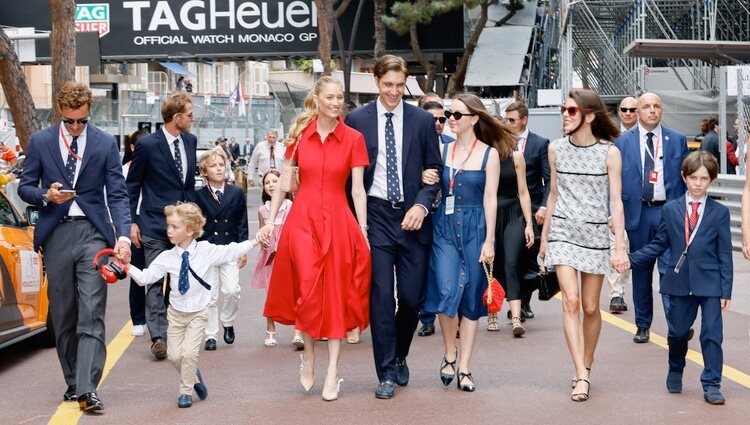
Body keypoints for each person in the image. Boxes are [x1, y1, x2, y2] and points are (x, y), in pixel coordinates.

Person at [18, 81, 132, 412]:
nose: (76, 127)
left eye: (82, 121)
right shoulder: (41, 142)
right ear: (60, 114)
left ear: (88, 115)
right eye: (70, 121)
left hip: (94, 235)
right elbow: (25, 187)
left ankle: (87, 388)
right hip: (56, 233)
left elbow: (118, 193)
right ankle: (72, 381)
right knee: (64, 312)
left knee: (93, 311)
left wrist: (122, 237)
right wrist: (45, 195)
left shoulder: (104, 143)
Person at [259, 76, 371, 402]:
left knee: (334, 294)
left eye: (340, 98)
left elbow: (358, 190)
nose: (336, 103)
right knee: (308, 290)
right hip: (303, 221)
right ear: (318, 99)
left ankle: (333, 370)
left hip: (338, 221)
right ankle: (309, 354)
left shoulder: (354, 139)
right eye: (330, 97)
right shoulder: (299, 138)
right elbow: (283, 183)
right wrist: (271, 221)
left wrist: (362, 231)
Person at [345, 54, 442, 399]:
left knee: (413, 299)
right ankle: (385, 372)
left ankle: (400, 353)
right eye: (388, 85)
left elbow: (435, 172)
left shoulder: (420, 121)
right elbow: (348, 176)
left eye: (400, 85)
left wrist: (421, 203)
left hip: (413, 218)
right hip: (376, 218)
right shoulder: (356, 119)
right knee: (382, 298)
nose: (394, 92)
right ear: (376, 82)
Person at [539, 88, 627, 402]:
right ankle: (580, 373)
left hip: (595, 236)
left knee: (591, 308)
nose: (565, 114)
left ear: (589, 115)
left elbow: (615, 202)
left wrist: (619, 246)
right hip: (562, 231)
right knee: (571, 302)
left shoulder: (609, 152)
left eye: (572, 110)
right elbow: (553, 195)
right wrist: (545, 238)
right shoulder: (555, 149)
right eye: (564, 109)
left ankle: (587, 361)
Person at [625, 151, 732, 405]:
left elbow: (725, 253)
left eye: (704, 179)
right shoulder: (671, 210)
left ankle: (712, 383)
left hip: (710, 282)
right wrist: (630, 259)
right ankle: (676, 366)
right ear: (684, 177)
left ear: (712, 181)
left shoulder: (720, 212)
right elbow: (659, 244)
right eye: (693, 177)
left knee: (712, 334)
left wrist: (726, 290)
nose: (698, 183)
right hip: (678, 281)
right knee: (678, 332)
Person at [128, 202, 258, 408]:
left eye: (174, 227)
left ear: (189, 231)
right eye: (168, 225)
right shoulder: (167, 256)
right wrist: (127, 266)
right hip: (176, 314)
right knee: (174, 355)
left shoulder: (206, 251)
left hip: (199, 312)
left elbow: (230, 251)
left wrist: (255, 241)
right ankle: (193, 377)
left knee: (189, 353)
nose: (168, 230)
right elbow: (146, 278)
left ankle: (185, 392)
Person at [421, 92, 500, 391]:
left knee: (470, 298)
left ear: (474, 119)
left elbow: (490, 199)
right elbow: (431, 184)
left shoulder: (489, 154)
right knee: (445, 290)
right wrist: (425, 176)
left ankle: (464, 366)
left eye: (456, 115)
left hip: (475, 227)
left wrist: (489, 240)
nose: (450, 120)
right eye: (448, 115)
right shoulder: (442, 151)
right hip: (443, 226)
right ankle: (449, 351)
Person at [127, 91, 198, 359]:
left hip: (184, 227)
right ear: (176, 117)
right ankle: (158, 336)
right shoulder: (147, 145)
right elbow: (131, 186)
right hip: (155, 223)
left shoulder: (190, 141)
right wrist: (132, 222)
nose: (193, 119)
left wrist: (194, 221)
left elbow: (188, 185)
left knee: (181, 279)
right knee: (155, 280)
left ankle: (173, 329)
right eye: (190, 115)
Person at [615, 92, 688, 344]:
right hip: (638, 213)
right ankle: (642, 325)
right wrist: (614, 216)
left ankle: (675, 325)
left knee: (670, 270)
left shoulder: (677, 140)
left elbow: (686, 179)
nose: (652, 111)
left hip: (669, 213)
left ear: (662, 110)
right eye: (646, 106)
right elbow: (612, 184)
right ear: (637, 111)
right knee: (642, 271)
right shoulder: (622, 143)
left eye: (656, 106)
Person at [195, 148, 248, 351]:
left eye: (221, 165)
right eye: (214, 166)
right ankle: (211, 335)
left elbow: (242, 222)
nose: (219, 168)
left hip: (230, 248)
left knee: (232, 290)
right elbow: (195, 223)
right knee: (210, 295)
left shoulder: (235, 192)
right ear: (204, 171)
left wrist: (242, 249)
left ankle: (228, 320)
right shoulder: (198, 195)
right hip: (207, 250)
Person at [502, 100, 550, 322]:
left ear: (524, 119)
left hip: (533, 210)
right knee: (512, 256)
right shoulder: (500, 143)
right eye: (506, 119)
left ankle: (525, 301)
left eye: (512, 120)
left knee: (529, 257)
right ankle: (516, 303)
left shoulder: (540, 144)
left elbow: (549, 179)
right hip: (509, 208)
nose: (508, 123)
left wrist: (543, 207)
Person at [251, 170, 304, 348]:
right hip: (270, 258)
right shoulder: (262, 210)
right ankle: (270, 330)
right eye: (268, 183)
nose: (272, 185)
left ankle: (298, 332)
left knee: (296, 292)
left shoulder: (291, 205)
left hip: (289, 255)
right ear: (264, 188)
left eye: (275, 181)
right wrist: (264, 242)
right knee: (271, 294)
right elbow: (261, 232)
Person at [416, 100, 455, 338]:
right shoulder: (413, 145)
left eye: (442, 119)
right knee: (423, 268)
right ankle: (427, 317)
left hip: (446, 215)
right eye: (433, 119)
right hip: (420, 213)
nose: (438, 124)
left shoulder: (453, 146)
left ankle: (452, 315)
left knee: (446, 268)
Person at [604, 97, 640, 313]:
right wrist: (609, 213)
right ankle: (616, 294)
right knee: (616, 246)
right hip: (617, 204)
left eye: (632, 110)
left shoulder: (645, 138)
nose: (627, 113)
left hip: (642, 205)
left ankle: (626, 286)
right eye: (624, 109)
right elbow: (604, 179)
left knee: (636, 252)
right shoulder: (609, 138)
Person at [122, 129, 150, 337]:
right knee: (137, 270)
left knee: (164, 272)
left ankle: (161, 316)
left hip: (154, 221)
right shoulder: (123, 171)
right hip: (134, 223)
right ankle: (138, 318)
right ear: (132, 148)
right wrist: (129, 224)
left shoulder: (157, 167)